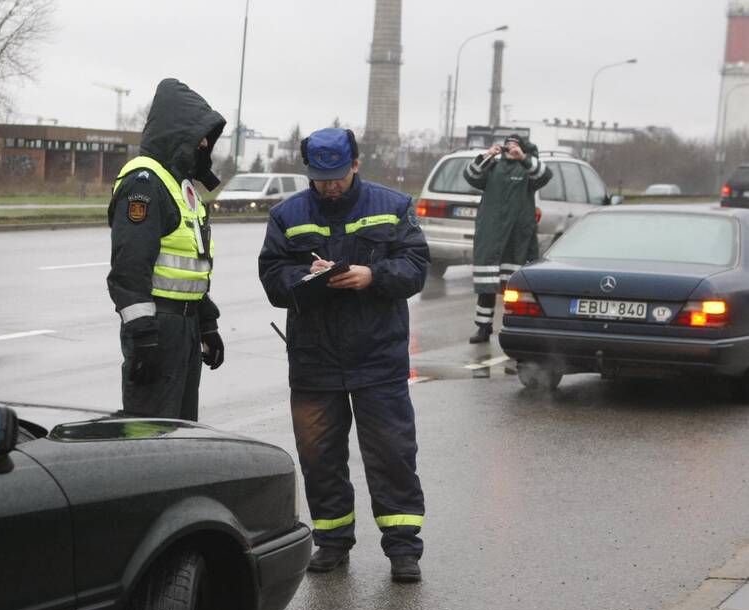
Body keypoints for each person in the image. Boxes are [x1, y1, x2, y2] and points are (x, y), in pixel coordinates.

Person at [258, 127, 430, 581]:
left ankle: (403, 550)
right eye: (319, 177)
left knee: (392, 454)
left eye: (336, 175)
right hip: (315, 359)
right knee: (319, 457)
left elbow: (415, 267)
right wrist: (305, 278)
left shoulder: (393, 206)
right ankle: (332, 540)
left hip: (378, 357)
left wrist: (371, 275)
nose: (329, 185)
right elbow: (273, 278)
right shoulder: (286, 215)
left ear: (356, 165)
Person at [107, 79, 227, 421]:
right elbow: (130, 268)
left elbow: (190, 267)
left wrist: (206, 323)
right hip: (157, 329)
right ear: (176, 132)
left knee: (182, 434)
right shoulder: (144, 183)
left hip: (184, 328)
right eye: (200, 133)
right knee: (151, 440)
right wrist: (143, 337)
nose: (205, 142)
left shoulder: (181, 185)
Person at [463, 133, 553, 343]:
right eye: (508, 146)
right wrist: (487, 156)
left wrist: (523, 157)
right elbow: (470, 176)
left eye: (515, 146)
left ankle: (514, 328)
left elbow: (545, 175)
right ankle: (483, 328)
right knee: (487, 283)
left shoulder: (528, 169)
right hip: (491, 233)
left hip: (517, 235)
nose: (510, 149)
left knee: (514, 286)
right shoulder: (493, 167)